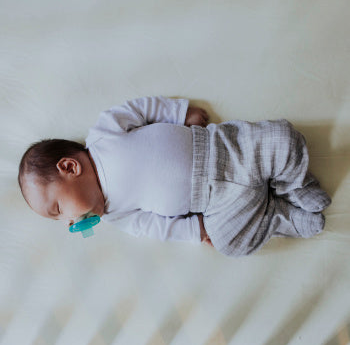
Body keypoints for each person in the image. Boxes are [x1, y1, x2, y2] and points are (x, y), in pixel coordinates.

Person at [18, 96, 331, 257]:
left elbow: (140, 108)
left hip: (224, 149)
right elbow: (155, 227)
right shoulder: (117, 215)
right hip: (215, 203)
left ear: (70, 168)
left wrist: (180, 113)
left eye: (58, 210)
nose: (68, 224)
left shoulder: (104, 134)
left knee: (281, 138)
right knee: (229, 242)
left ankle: (297, 186)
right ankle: (282, 216)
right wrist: (196, 230)